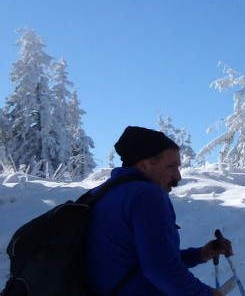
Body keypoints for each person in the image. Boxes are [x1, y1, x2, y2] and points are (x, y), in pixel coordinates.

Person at [87, 126, 233, 295]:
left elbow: (140, 259)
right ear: (143, 165)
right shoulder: (147, 195)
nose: (178, 176)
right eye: (172, 166)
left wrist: (200, 254)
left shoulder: (101, 193)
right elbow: (160, 268)